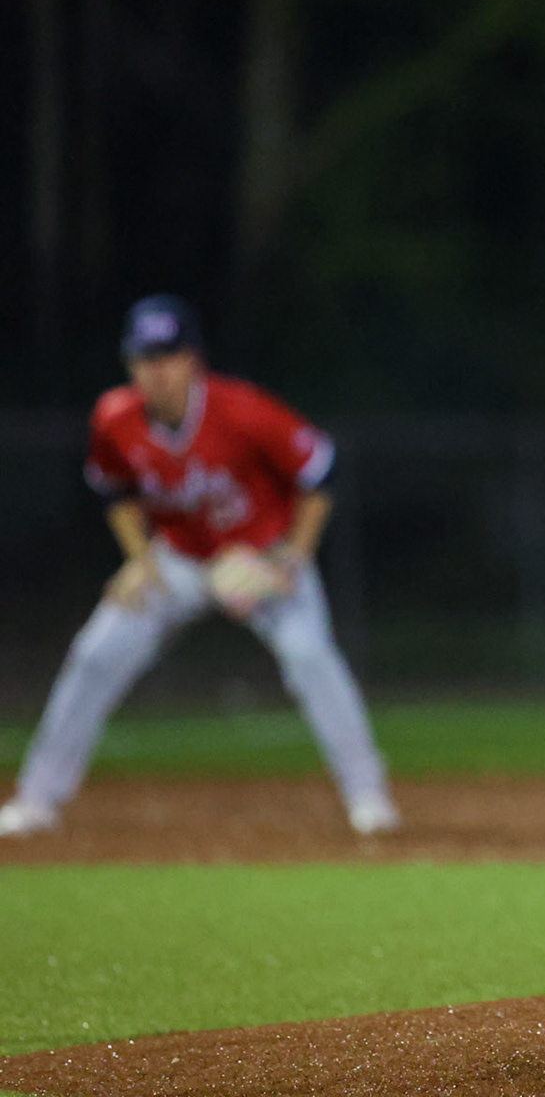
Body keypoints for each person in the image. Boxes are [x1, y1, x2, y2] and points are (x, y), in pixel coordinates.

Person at [0, 296, 399, 839]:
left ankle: (368, 795)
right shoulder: (115, 419)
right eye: (144, 358)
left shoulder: (244, 411)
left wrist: (295, 555)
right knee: (96, 654)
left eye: (167, 356)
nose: (155, 371)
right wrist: (138, 560)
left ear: (193, 360)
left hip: (259, 559)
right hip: (180, 561)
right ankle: (37, 800)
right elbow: (113, 489)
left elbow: (319, 472)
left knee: (310, 656)